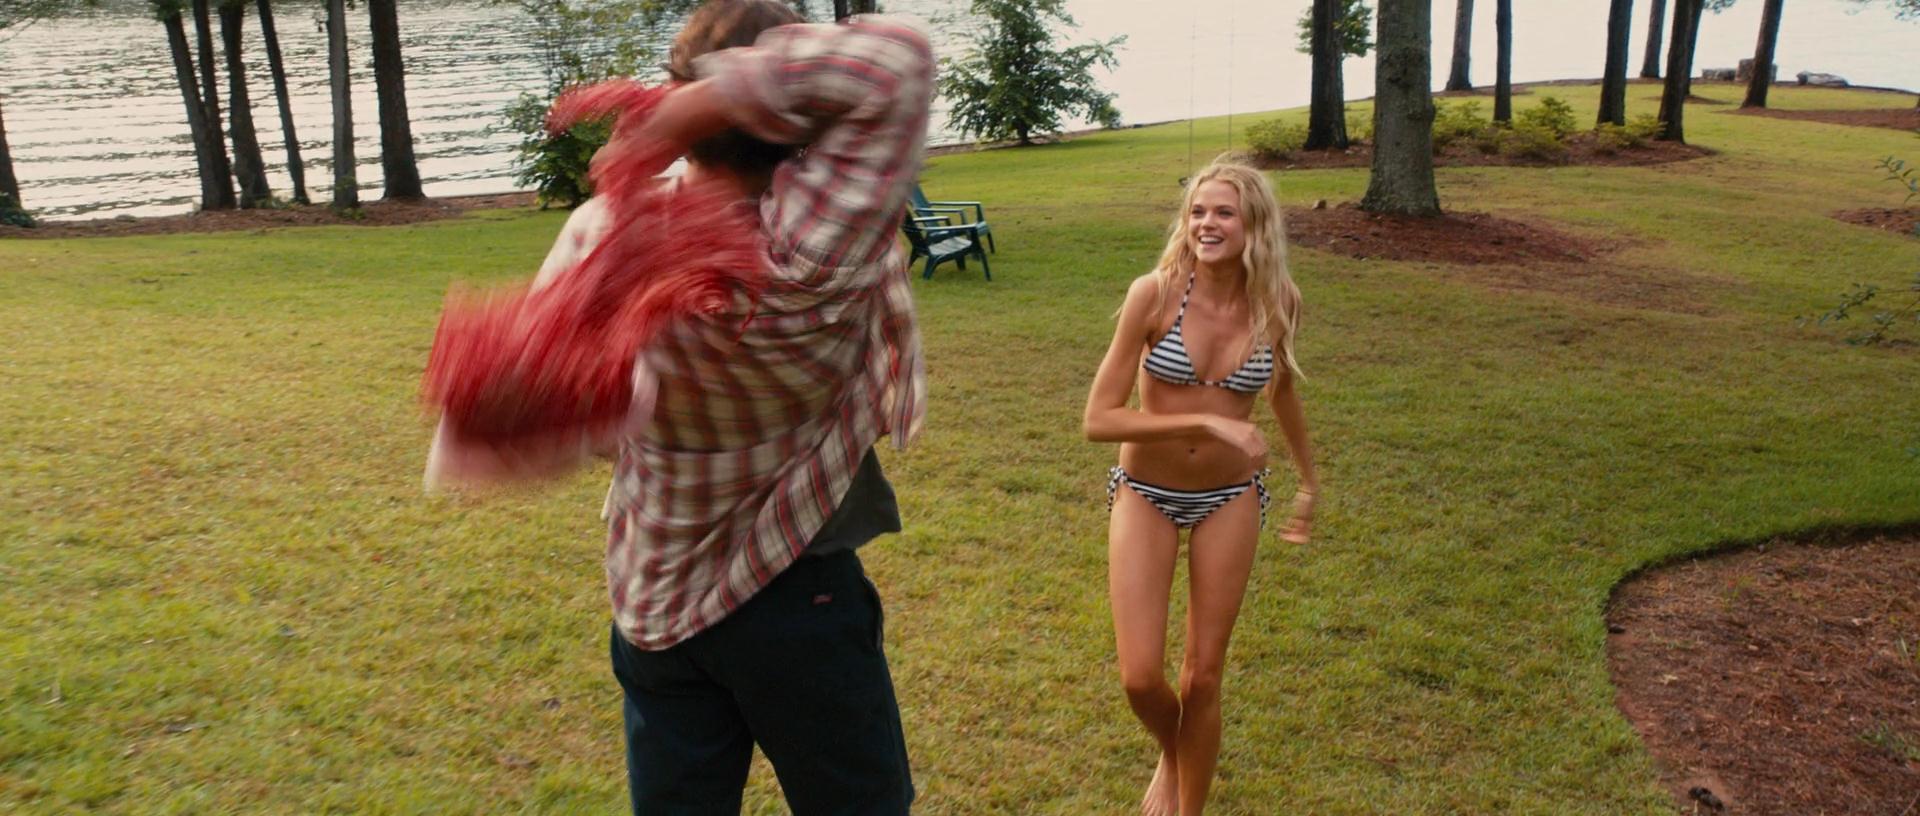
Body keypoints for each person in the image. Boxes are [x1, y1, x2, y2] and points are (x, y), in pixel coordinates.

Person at [581, 3, 931, 813]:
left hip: (654, 593)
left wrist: (663, 128)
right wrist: (699, 108)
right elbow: (897, 61)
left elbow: (589, 423)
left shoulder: (614, 239)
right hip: (797, 599)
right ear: (800, 119)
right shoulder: (814, 255)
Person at [1082, 161, 1318, 816]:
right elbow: (1099, 419)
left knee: (1204, 678)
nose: (1206, 224)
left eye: (1223, 213)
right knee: (1140, 677)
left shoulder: (1279, 302)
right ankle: (1173, 749)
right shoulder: (1154, 295)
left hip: (1230, 497)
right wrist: (1208, 421)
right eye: (1197, 212)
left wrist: (1308, 480)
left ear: (1254, 226)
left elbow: (1283, 392)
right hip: (1146, 491)